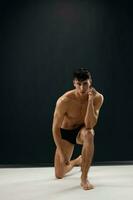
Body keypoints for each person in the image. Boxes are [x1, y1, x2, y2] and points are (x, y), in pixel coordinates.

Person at [52, 68, 104, 190]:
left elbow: (89, 124)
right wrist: (61, 152)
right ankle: (77, 161)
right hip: (65, 133)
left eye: (85, 84)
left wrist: (90, 101)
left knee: (90, 133)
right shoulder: (64, 101)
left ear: (90, 82)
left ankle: (84, 178)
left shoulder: (98, 98)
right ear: (74, 83)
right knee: (59, 174)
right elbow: (55, 129)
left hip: (81, 132)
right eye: (79, 84)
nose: (82, 88)